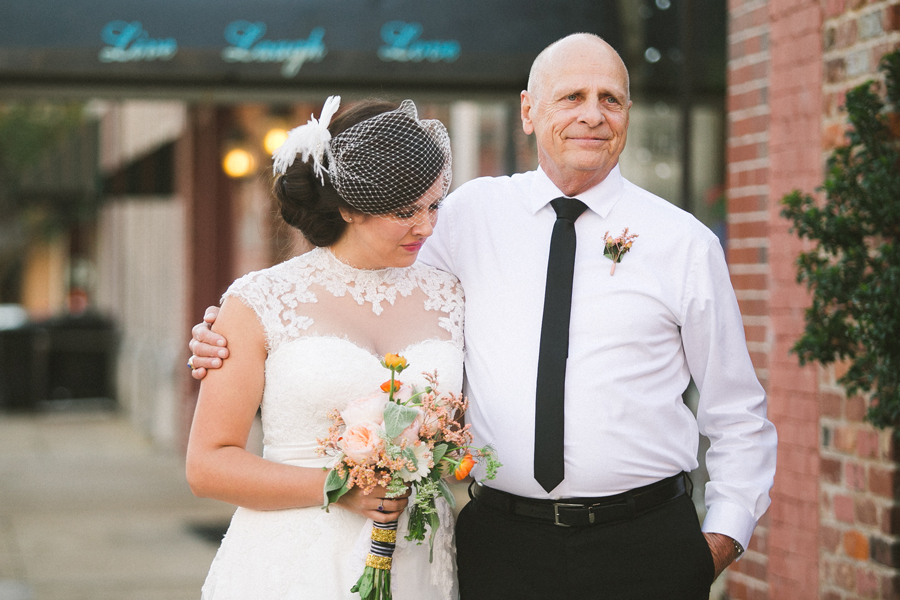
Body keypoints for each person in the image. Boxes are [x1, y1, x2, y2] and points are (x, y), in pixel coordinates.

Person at [190, 33, 777, 600]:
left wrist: (717, 545)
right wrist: (231, 329)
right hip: (499, 547)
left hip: (645, 544)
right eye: (572, 97)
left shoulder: (685, 244)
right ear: (528, 111)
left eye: (611, 99)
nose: (592, 115)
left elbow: (737, 411)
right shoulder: (466, 216)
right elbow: (365, 273)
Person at [185, 97, 462, 600]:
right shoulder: (260, 301)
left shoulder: (451, 295)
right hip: (293, 564)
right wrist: (342, 489)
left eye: (434, 204)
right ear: (349, 207)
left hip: (417, 558)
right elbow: (207, 466)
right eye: (406, 211)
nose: (427, 226)